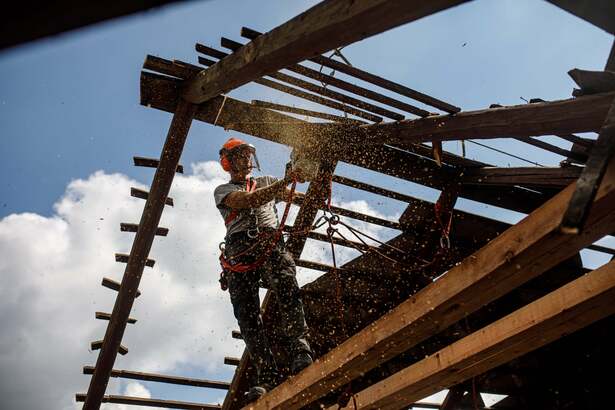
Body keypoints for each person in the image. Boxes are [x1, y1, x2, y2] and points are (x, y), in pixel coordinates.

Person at [213, 137, 313, 402]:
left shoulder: (268, 181)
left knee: (287, 289)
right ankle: (267, 376)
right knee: (247, 315)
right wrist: (286, 180)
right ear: (229, 161)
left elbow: (299, 196)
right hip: (239, 250)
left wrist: (309, 178)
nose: (246, 160)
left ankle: (300, 352)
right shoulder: (222, 190)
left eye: (248, 155)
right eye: (241, 156)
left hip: (270, 241)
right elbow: (248, 201)